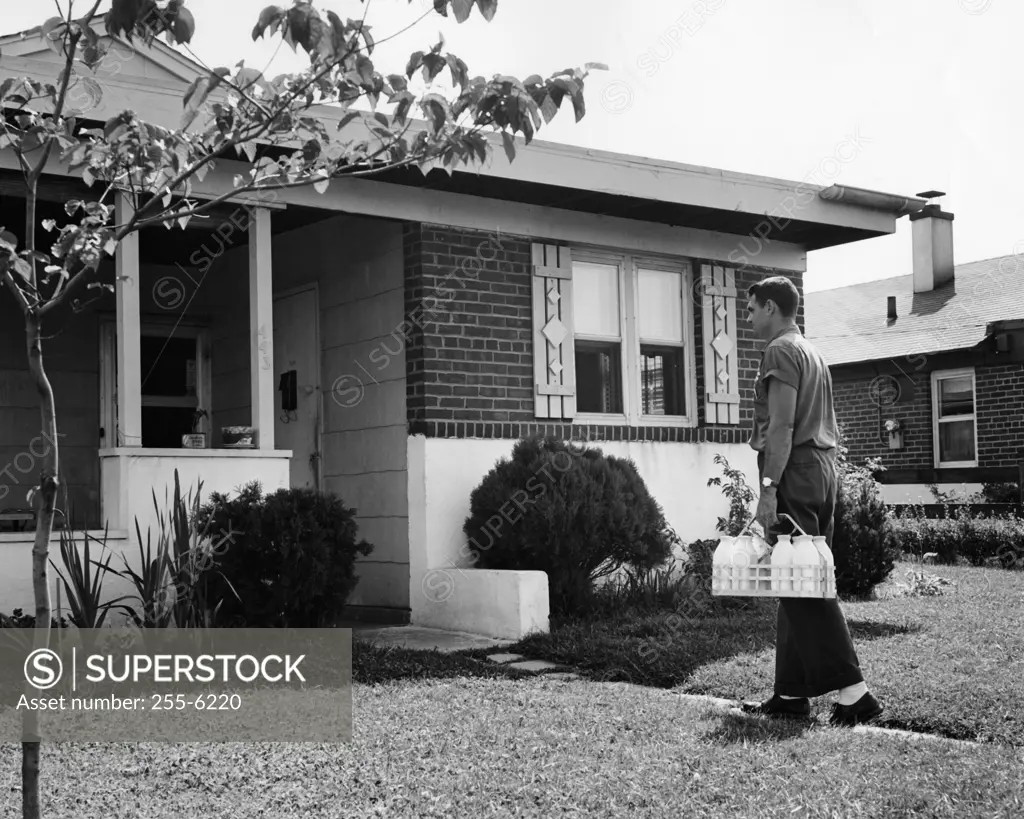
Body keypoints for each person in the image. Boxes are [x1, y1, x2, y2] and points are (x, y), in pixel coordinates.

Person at [738, 276, 883, 727]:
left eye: (751, 309)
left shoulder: (780, 351)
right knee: (799, 579)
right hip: (822, 472)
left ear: (770, 307)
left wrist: (767, 488)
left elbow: (781, 427)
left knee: (799, 581)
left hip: (795, 472)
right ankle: (791, 692)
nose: (748, 318)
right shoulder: (813, 351)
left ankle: (855, 693)